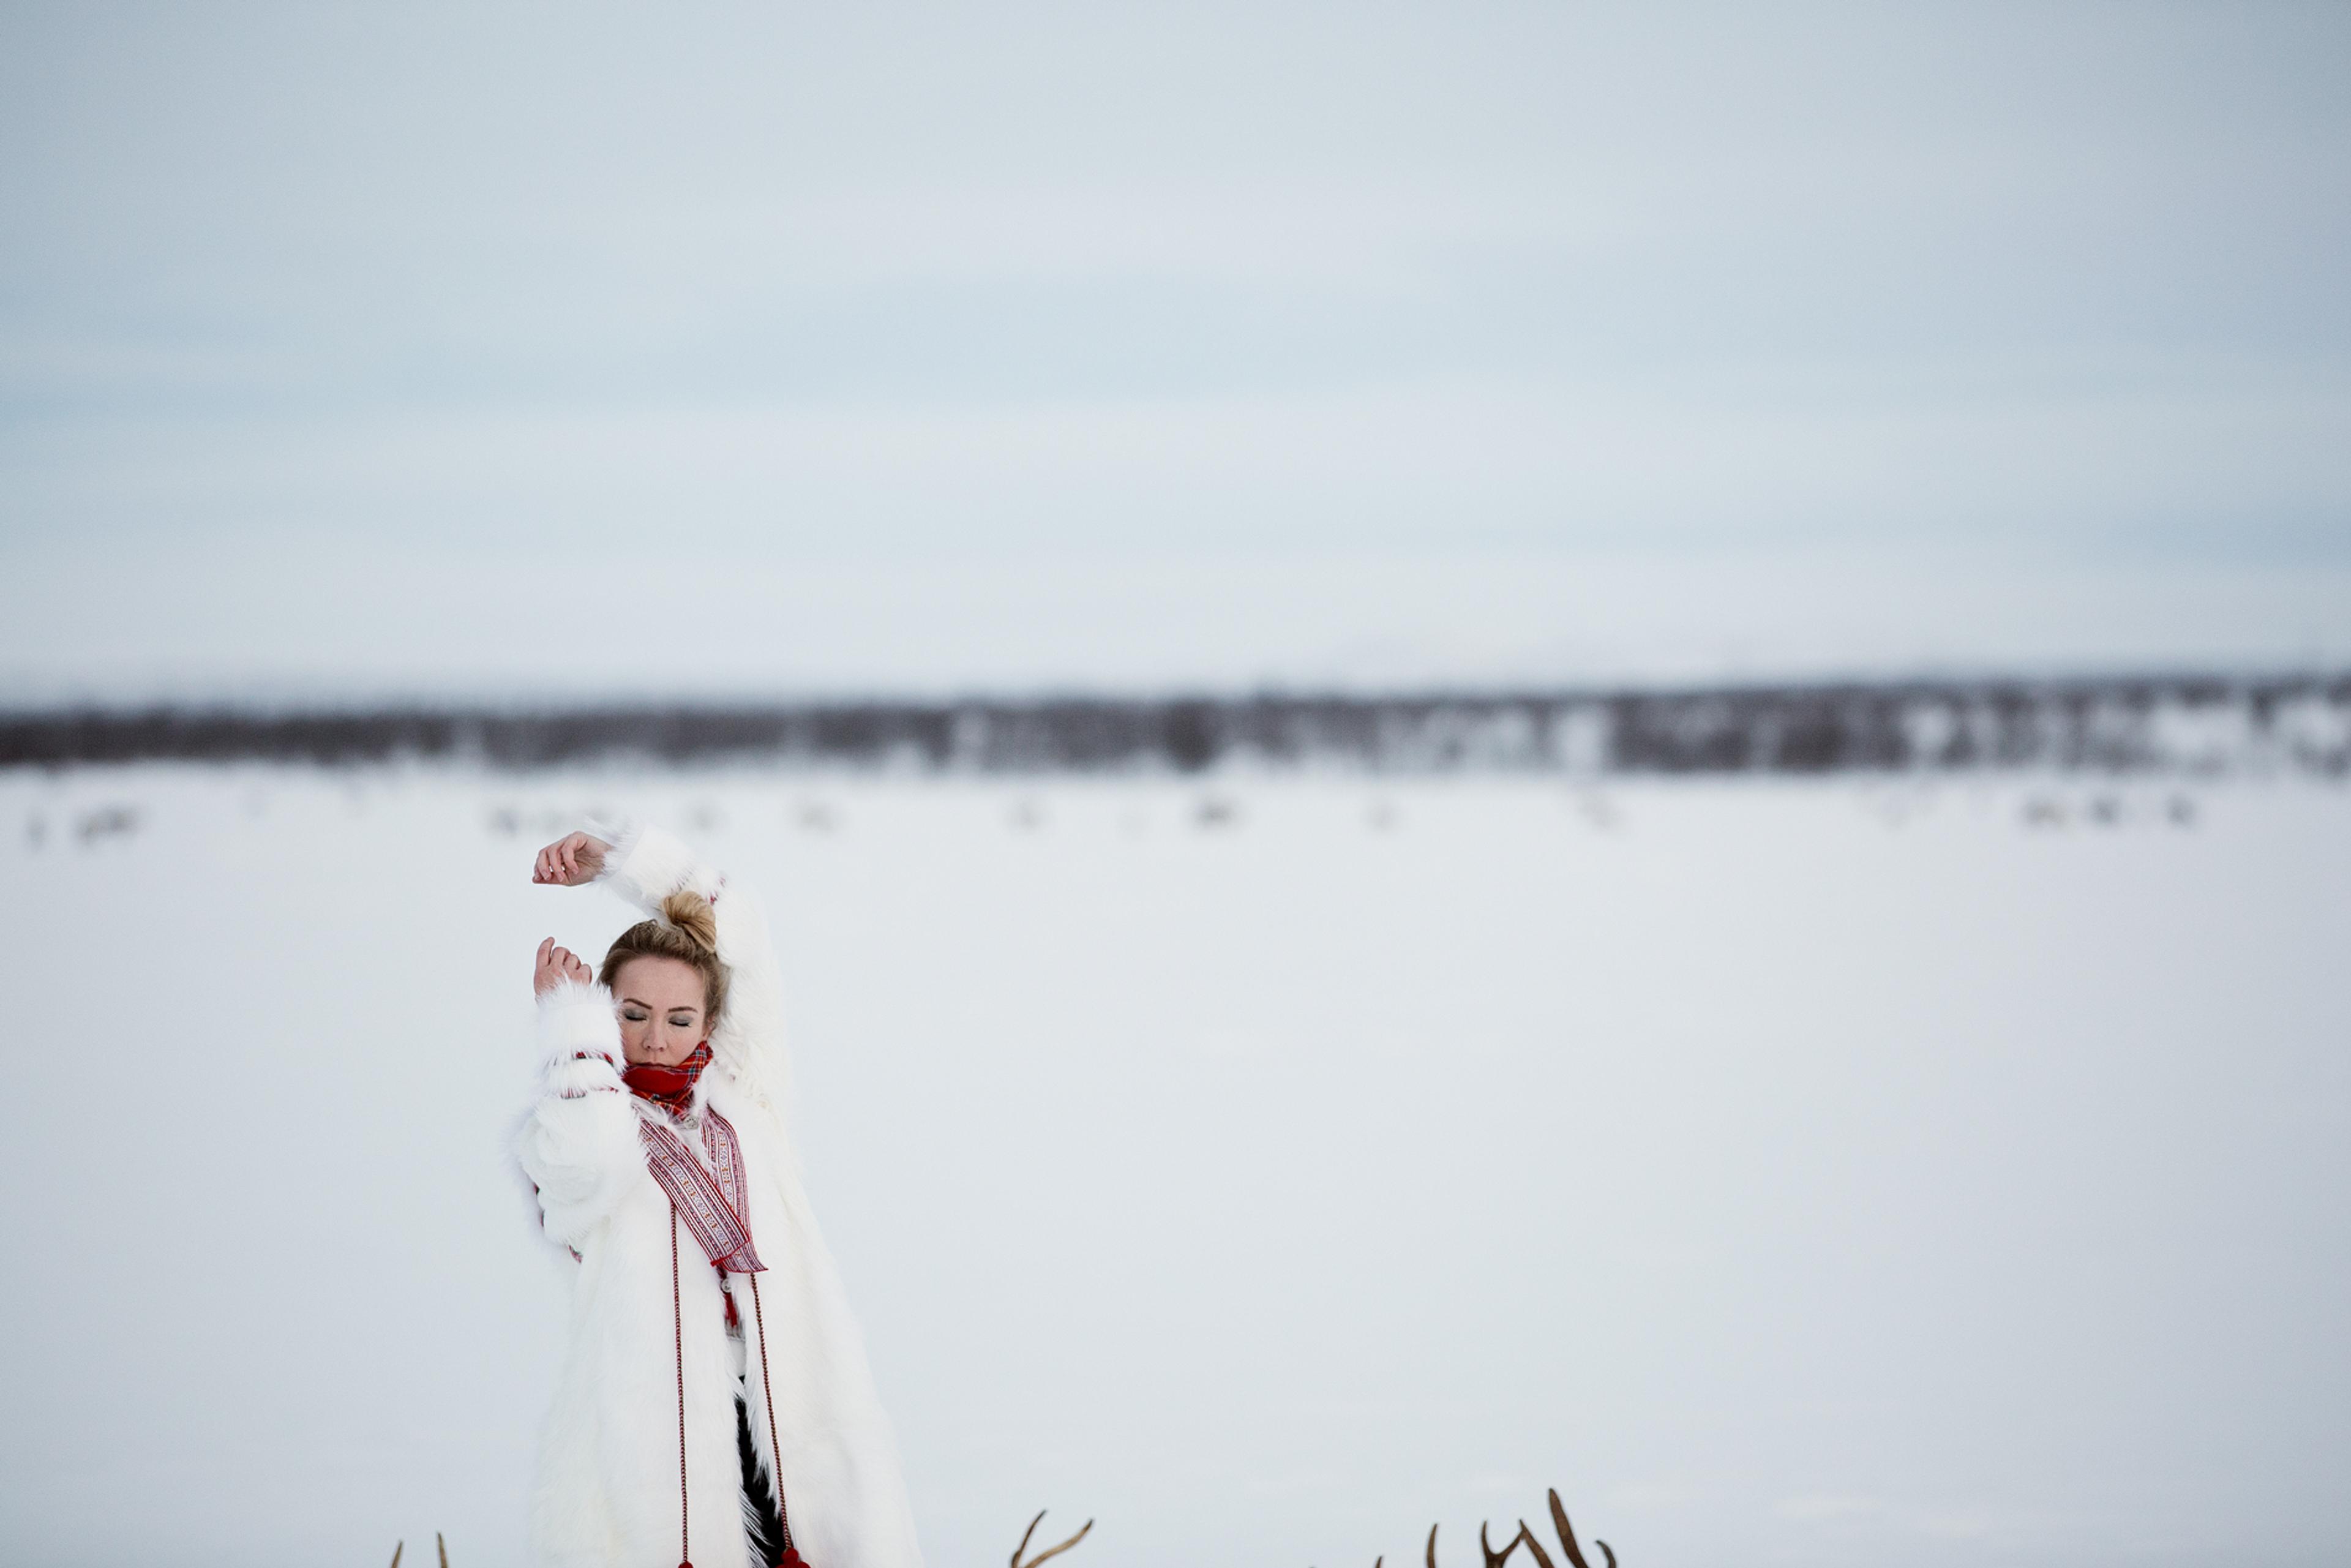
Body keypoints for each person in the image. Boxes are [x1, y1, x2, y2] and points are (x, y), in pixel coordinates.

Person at [518, 819, 924, 1568]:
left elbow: (741, 929)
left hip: (797, 1413)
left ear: (711, 1022)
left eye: (679, 1018)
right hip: (657, 1446)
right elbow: (588, 1167)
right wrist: (572, 1026)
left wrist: (618, 858)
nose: (657, 1038)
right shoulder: (576, 1117)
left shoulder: (746, 1094)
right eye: (630, 1015)